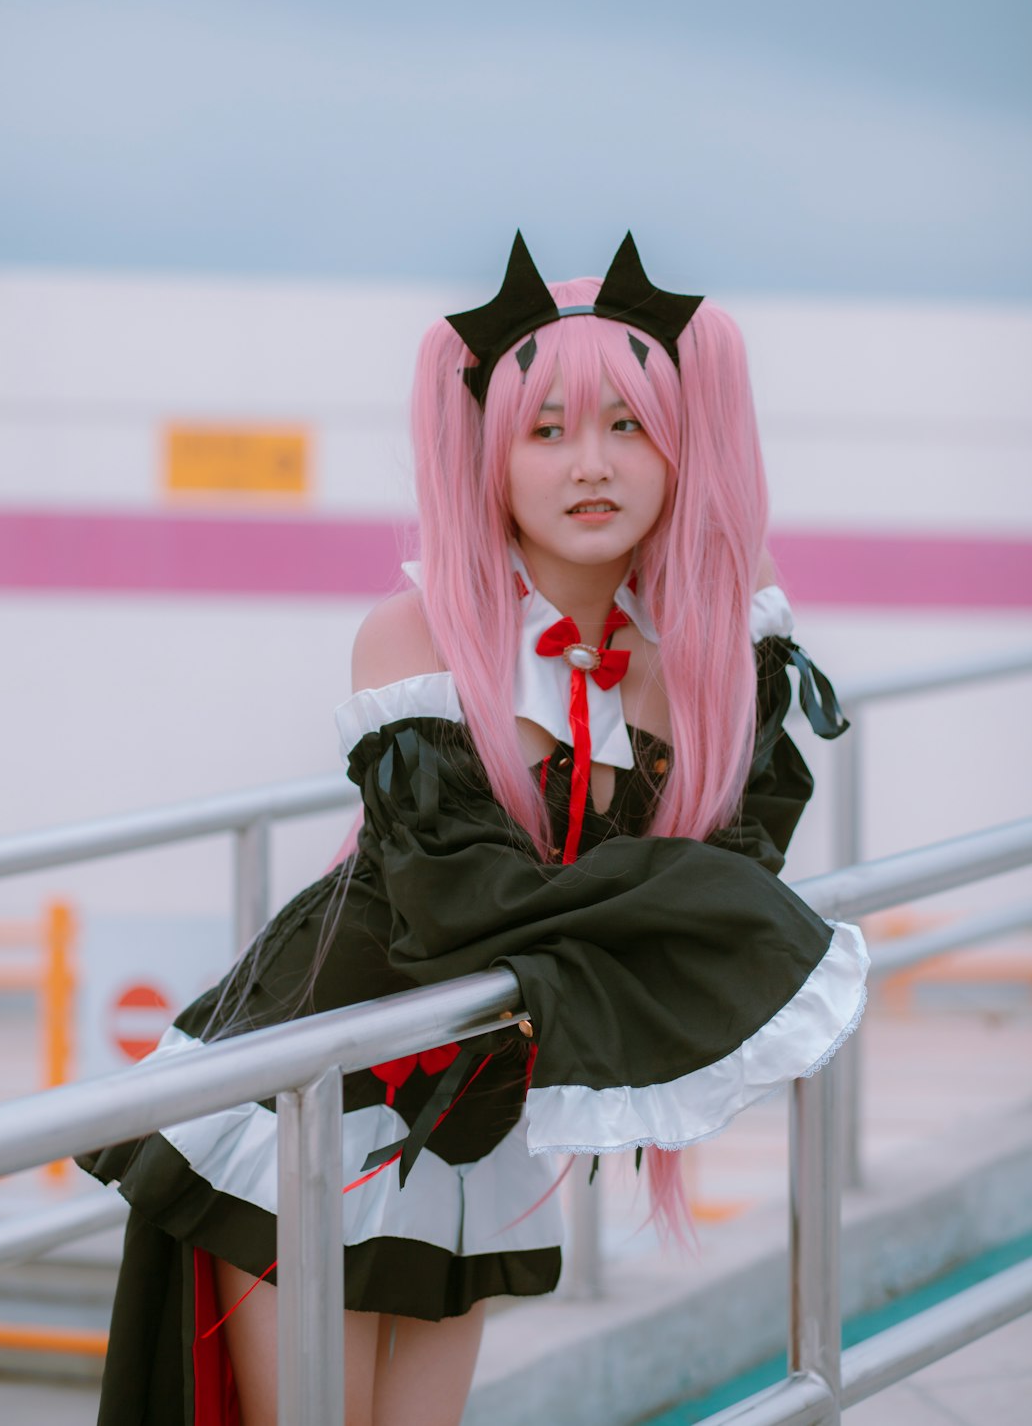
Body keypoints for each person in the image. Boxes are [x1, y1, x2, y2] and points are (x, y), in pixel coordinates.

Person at [79, 233, 868, 1426]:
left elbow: (736, 863)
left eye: (627, 425)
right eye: (545, 430)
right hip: (316, 1078)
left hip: (473, 1101)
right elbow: (474, 905)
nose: (588, 465)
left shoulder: (698, 661)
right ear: (489, 456)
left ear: (683, 443)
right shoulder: (419, 639)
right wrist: (697, 920)